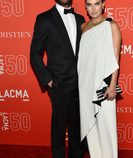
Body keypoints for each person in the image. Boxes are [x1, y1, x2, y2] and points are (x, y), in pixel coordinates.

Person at [30, 0, 85, 158]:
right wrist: (48, 80)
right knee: (59, 129)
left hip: (80, 83)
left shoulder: (80, 19)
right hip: (59, 84)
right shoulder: (45, 19)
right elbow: (35, 53)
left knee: (78, 128)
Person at [77, 0, 122, 158]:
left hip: (103, 84)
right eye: (89, 4)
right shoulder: (83, 28)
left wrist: (112, 85)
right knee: (91, 128)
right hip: (85, 84)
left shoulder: (112, 26)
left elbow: (115, 58)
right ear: (86, 7)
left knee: (106, 126)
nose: (93, 8)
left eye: (97, 4)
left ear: (103, 5)